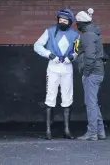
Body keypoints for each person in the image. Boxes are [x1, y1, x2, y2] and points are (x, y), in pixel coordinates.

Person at [34, 8, 80, 140]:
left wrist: (72, 57)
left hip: (67, 67)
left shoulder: (75, 35)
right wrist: (49, 54)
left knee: (67, 97)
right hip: (53, 66)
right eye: (60, 20)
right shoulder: (49, 31)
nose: (62, 22)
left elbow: (78, 50)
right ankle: (48, 130)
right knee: (50, 96)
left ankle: (66, 130)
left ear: (70, 22)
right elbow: (37, 46)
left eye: (65, 20)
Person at [75, 8, 106, 141]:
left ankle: (92, 133)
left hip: (92, 73)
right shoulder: (94, 33)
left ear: (81, 23)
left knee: (90, 103)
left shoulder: (87, 35)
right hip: (98, 72)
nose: (77, 26)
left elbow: (90, 56)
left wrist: (86, 73)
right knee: (93, 102)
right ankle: (100, 132)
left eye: (77, 23)